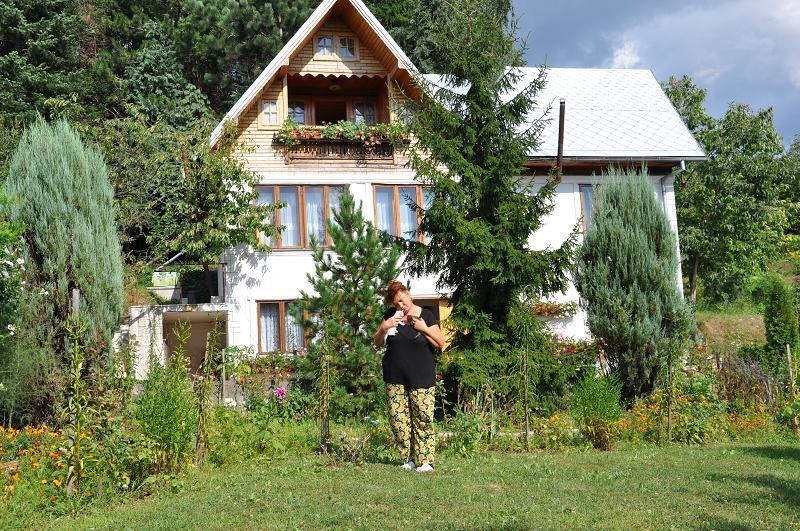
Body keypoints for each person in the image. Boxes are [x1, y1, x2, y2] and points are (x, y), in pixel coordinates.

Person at [373, 281, 445, 472]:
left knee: (423, 418)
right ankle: (409, 459)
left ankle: (426, 461)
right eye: (396, 304)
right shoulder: (390, 316)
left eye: (401, 301)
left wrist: (423, 328)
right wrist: (383, 327)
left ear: (407, 293)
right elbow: (378, 342)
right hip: (394, 375)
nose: (400, 306)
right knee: (399, 420)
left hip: (421, 375)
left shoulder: (426, 315)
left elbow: (440, 343)